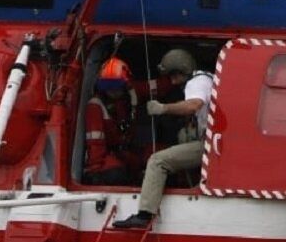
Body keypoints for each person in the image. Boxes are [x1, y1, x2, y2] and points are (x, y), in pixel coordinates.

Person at [112, 48, 214, 230]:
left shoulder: (196, 83)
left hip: (208, 145)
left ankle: (144, 215)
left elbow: (193, 105)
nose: (173, 82)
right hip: (212, 142)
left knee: (157, 160)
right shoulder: (207, 78)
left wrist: (162, 108)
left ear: (183, 70)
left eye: (174, 76)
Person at [81, 58, 143, 186]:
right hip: (107, 156)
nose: (113, 90)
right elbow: (95, 143)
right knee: (117, 172)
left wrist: (171, 81)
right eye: (108, 86)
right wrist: (95, 172)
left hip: (125, 149)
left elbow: (146, 88)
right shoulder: (96, 106)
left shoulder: (124, 98)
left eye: (116, 86)